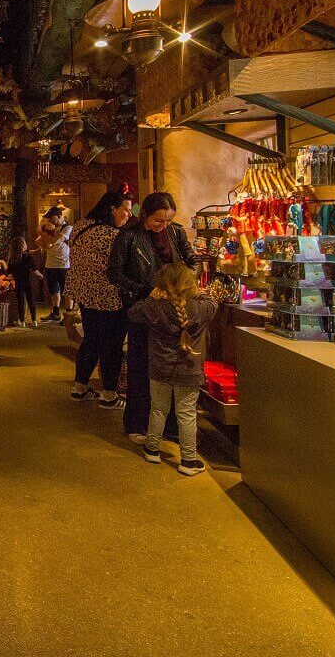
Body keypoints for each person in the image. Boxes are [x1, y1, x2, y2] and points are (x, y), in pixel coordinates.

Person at [108, 191, 198, 443]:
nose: (164, 226)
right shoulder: (128, 237)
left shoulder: (176, 233)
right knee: (140, 366)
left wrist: (186, 282)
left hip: (174, 311)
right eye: (159, 220)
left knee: (171, 369)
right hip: (143, 309)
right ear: (146, 214)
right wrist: (146, 290)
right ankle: (137, 422)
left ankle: (169, 427)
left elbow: (193, 260)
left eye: (168, 220)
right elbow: (114, 274)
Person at [128, 262, 217, 475]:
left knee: (158, 408)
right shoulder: (201, 309)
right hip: (189, 371)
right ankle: (188, 460)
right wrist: (198, 294)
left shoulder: (154, 307)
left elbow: (133, 312)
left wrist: (153, 297)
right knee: (186, 414)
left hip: (160, 368)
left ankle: (152, 448)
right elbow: (214, 304)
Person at [65, 190, 133, 407]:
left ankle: (79, 387)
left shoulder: (80, 227)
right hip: (110, 297)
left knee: (91, 340)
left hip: (85, 295)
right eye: (126, 210)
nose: (128, 216)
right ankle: (109, 394)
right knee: (111, 345)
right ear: (113, 209)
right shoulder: (114, 236)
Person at [40, 206, 72, 322]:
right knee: (54, 290)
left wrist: (45, 238)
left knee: (67, 291)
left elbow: (56, 242)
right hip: (50, 264)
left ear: (58, 216)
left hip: (63, 265)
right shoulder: (51, 229)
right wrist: (45, 240)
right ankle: (56, 313)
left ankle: (68, 316)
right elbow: (39, 241)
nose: (49, 220)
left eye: (51, 218)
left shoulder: (67, 228)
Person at [7, 237, 39, 328]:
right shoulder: (28, 256)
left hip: (19, 283)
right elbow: (34, 269)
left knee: (20, 301)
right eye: (25, 243)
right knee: (31, 301)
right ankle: (34, 321)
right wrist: (41, 276)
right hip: (28, 282)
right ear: (22, 246)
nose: (26, 245)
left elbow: (9, 272)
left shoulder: (13, 258)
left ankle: (22, 321)